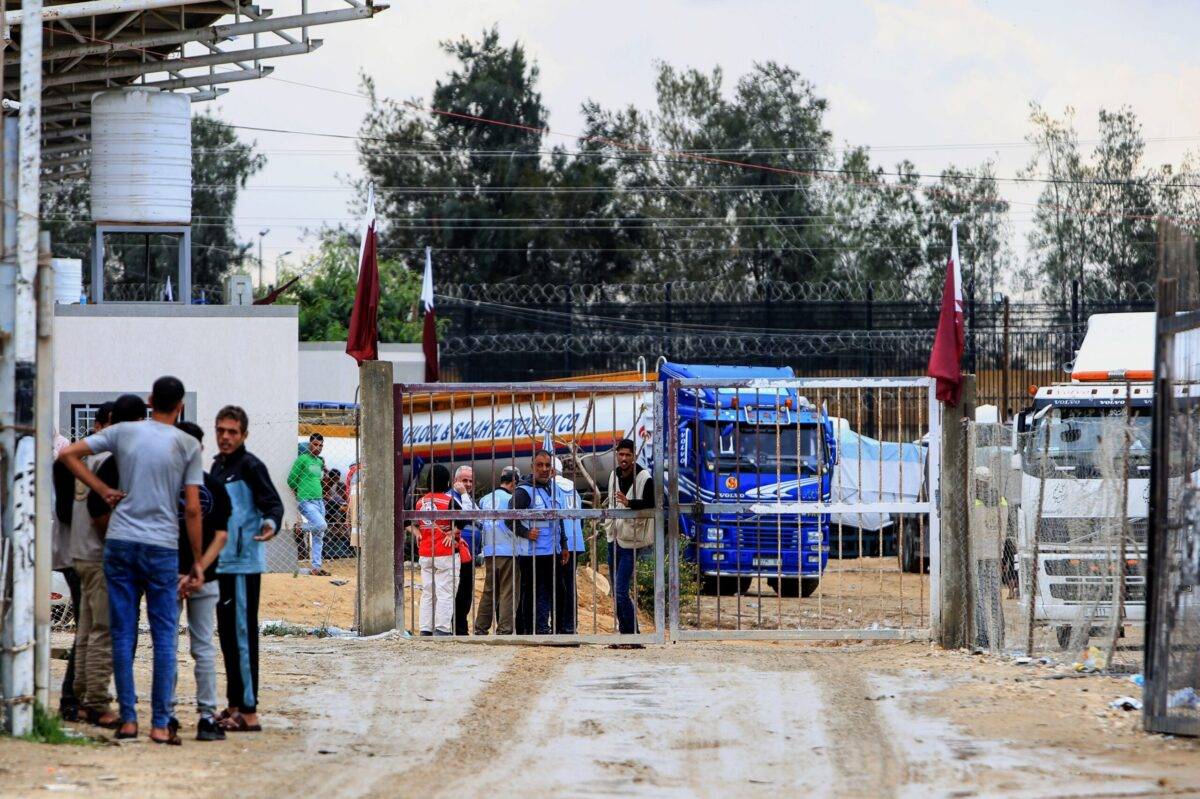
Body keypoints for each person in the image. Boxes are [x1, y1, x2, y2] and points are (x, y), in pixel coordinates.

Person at [58, 376, 205, 745]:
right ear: (181, 405)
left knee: (122, 633)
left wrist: (103, 489)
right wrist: (198, 560)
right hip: (161, 546)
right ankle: (159, 722)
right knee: (164, 636)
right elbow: (191, 509)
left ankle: (128, 719)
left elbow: (68, 454)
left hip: (121, 542)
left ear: (151, 399)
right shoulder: (188, 444)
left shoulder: (124, 433)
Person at [211, 405, 284, 733]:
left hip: (242, 564)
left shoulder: (251, 466)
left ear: (244, 435)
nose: (225, 437)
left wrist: (270, 524)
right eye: (221, 431)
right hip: (221, 564)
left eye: (232, 432)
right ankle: (235, 704)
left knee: (241, 636)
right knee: (227, 636)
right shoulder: (218, 466)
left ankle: (250, 713)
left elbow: (273, 503)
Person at [59, 400, 126, 729]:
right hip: (100, 555)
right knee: (104, 630)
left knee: (86, 630)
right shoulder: (109, 462)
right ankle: (98, 702)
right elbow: (103, 512)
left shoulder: (85, 460)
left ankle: (82, 697)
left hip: (79, 553)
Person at [173, 422, 232, 741]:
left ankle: (166, 714)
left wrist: (185, 570)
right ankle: (207, 717)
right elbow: (221, 535)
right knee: (204, 647)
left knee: (167, 645)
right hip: (204, 577)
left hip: (168, 576)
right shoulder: (214, 485)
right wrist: (200, 568)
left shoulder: (164, 484)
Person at [511, 450, 569, 635]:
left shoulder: (553, 489)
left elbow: (558, 518)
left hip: (553, 551)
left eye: (547, 465)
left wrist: (564, 544)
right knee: (531, 595)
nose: (544, 469)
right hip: (532, 554)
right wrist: (525, 532)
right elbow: (508, 519)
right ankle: (527, 631)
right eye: (540, 465)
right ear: (532, 467)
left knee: (559, 592)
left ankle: (559, 632)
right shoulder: (523, 491)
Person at [607, 438, 654, 645]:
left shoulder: (644, 478)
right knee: (616, 590)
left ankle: (631, 635)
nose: (624, 458)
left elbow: (652, 505)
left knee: (620, 589)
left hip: (632, 541)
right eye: (621, 454)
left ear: (634, 456)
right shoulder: (613, 475)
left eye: (627, 455)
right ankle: (629, 634)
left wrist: (630, 503)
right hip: (614, 537)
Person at [474, 467, 522, 636]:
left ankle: (480, 627)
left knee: (489, 591)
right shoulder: (512, 499)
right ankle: (504, 629)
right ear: (514, 482)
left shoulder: (485, 499)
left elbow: (479, 522)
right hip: (508, 549)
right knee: (508, 591)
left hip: (489, 550)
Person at [416, 465, 463, 636]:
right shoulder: (448, 500)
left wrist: (417, 534)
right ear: (447, 481)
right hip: (445, 552)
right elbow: (464, 518)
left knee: (428, 592)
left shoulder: (420, 502)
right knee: (445, 592)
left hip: (426, 553)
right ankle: (442, 629)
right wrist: (453, 532)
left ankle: (425, 629)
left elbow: (407, 521)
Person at [288, 432, 329, 576]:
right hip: (306, 500)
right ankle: (300, 528)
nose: (318, 448)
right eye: (315, 444)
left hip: (319, 501)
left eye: (320, 445)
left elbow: (318, 479)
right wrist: (299, 493)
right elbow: (291, 479)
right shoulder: (302, 459)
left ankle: (316, 568)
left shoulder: (319, 462)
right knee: (321, 525)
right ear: (309, 444)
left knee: (319, 535)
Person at [553, 457, 584, 635]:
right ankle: (571, 625)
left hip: (560, 542)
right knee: (570, 584)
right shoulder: (573, 489)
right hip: (576, 541)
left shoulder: (552, 488)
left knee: (558, 585)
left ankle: (559, 626)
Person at [450, 465, 478, 635]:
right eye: (464, 480)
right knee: (456, 593)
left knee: (466, 594)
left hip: (469, 554)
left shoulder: (467, 498)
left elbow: (478, 518)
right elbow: (469, 516)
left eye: (470, 481)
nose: (467, 484)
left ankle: (461, 627)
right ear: (456, 481)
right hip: (454, 554)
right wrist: (464, 495)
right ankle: (456, 628)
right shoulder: (452, 498)